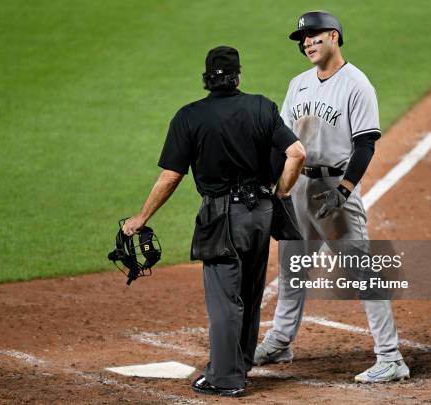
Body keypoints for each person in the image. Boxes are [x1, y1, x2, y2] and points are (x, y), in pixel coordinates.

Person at [122, 46, 306, 396]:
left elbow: (171, 177)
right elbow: (296, 154)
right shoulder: (262, 107)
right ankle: (241, 363)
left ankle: (225, 378)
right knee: (250, 294)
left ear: (207, 79)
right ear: (238, 76)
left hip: (222, 218)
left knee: (225, 299)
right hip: (261, 214)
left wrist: (141, 217)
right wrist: (280, 193)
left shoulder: (190, 117)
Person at [253, 11, 410, 383]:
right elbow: (285, 142)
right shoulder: (299, 84)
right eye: (302, 38)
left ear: (335, 37)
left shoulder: (356, 85)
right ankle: (280, 342)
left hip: (334, 188)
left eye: (313, 35)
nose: (306, 42)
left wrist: (344, 191)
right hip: (299, 187)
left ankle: (391, 357)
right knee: (292, 269)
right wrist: (275, 187)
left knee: (363, 273)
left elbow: (366, 144)